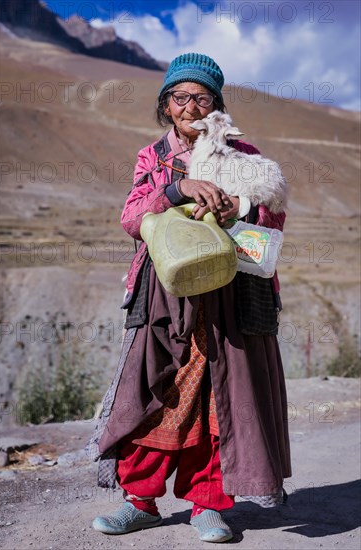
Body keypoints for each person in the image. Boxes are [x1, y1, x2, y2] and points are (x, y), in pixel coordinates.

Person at [87, 52, 291, 544]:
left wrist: (236, 207)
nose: (189, 106)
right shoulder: (152, 157)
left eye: (201, 98)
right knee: (156, 393)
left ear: (216, 105)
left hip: (233, 293)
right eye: (180, 97)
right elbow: (133, 218)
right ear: (166, 103)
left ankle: (208, 506)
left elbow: (273, 218)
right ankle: (140, 501)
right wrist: (179, 188)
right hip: (166, 293)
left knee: (222, 400)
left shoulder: (245, 155)